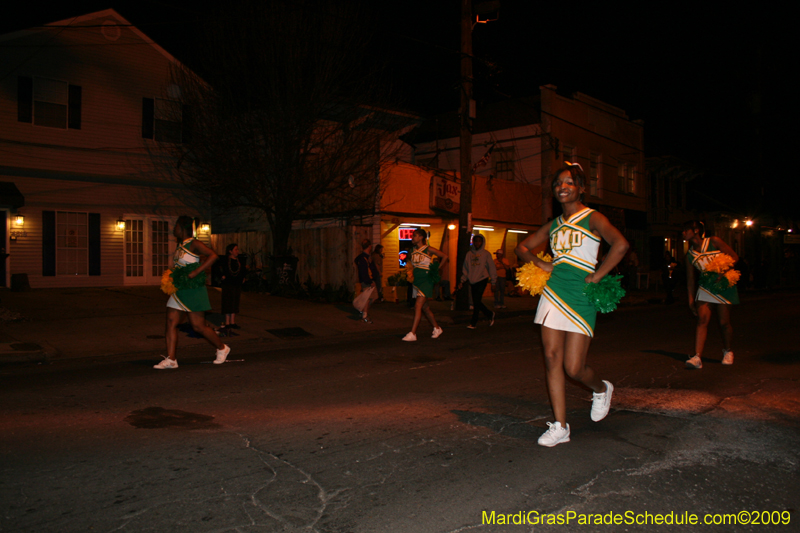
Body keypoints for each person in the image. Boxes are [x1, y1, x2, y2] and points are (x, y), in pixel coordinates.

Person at [515, 162, 628, 447]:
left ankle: (601, 389)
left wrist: (598, 275)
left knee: (574, 368)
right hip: (554, 293)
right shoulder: (554, 224)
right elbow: (521, 247)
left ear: (581, 188)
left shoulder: (593, 218)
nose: (562, 187)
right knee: (552, 357)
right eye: (558, 183)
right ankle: (560, 426)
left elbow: (621, 244)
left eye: (569, 182)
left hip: (581, 295)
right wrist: (540, 262)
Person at [155, 215, 231, 369]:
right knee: (170, 322)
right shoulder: (180, 245)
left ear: (182, 227)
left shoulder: (194, 243)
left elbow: (213, 256)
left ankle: (222, 348)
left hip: (193, 290)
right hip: (180, 289)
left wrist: (196, 272)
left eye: (176, 226)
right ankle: (171, 359)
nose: (174, 229)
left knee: (198, 326)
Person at [683, 220, 739, 369]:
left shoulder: (713, 241)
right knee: (702, 320)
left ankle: (728, 351)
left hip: (723, 285)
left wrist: (722, 272)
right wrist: (691, 300)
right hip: (705, 287)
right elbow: (690, 280)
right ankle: (697, 357)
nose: (683, 233)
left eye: (686, 230)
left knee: (724, 322)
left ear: (696, 230)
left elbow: (734, 257)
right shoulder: (689, 255)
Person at [402, 228, 448, 341]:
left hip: (426, 280)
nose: (413, 238)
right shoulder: (412, 250)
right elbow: (410, 264)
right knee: (425, 308)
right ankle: (437, 328)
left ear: (421, 237)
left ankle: (413, 333)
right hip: (417, 280)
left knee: (417, 306)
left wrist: (437, 269)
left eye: (415, 235)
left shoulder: (428, 249)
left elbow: (445, 256)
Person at [457, 234, 497, 329]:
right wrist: (462, 280)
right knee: (476, 301)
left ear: (482, 242)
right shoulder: (469, 254)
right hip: (472, 280)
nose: (477, 243)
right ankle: (489, 314)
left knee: (476, 301)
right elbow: (466, 268)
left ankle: (473, 323)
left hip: (482, 279)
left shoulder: (486, 254)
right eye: (476, 241)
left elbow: (491, 268)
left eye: (479, 241)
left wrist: (493, 282)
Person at [220, 243, 247, 330]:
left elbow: (243, 270)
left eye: (237, 249)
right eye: (235, 249)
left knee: (235, 302)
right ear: (230, 251)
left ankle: (233, 322)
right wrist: (222, 276)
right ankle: (227, 322)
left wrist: (243, 277)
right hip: (228, 284)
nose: (237, 251)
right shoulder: (225, 260)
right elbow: (219, 269)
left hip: (237, 283)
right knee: (228, 302)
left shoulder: (239, 261)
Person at [355, 239, 376, 323]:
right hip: (367, 281)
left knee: (373, 297)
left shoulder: (367, 257)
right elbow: (364, 272)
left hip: (369, 279)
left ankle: (363, 311)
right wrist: (369, 281)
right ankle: (364, 315)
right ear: (369, 246)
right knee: (367, 299)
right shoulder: (363, 258)